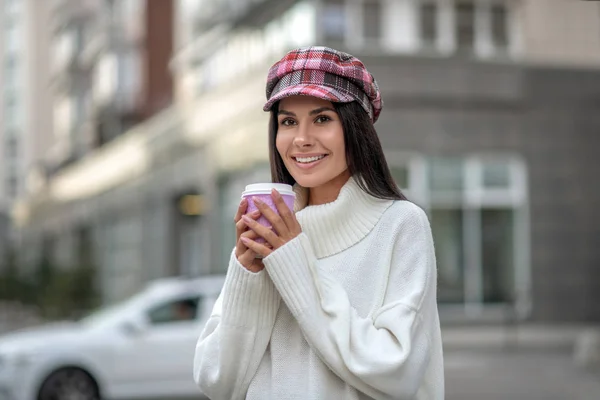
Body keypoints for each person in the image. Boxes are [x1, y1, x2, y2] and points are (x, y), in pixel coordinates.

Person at [193, 46, 444, 399]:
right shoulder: (271, 230)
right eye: (288, 121)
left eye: (322, 118)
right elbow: (217, 380)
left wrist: (293, 260)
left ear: (355, 128)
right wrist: (246, 275)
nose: (301, 138)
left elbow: (396, 370)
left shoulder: (400, 224)